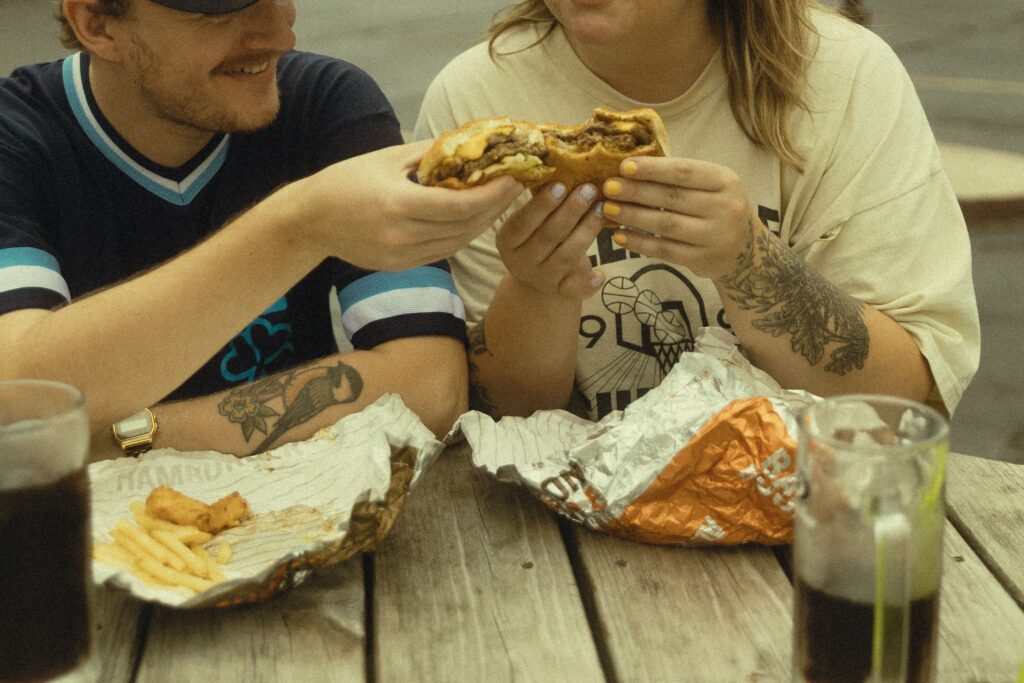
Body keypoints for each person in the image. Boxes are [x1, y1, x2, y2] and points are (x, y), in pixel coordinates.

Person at [0, 0, 524, 458]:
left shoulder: (324, 100)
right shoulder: (17, 133)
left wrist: (120, 439)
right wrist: (296, 227)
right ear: (98, 24)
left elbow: (431, 388)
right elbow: (15, 398)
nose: (280, 36)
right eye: (218, 11)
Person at [416, 0, 979, 421]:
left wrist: (749, 262)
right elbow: (491, 419)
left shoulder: (845, 75)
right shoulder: (476, 101)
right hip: (560, 540)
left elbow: (903, 402)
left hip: (804, 523)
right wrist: (537, 290)